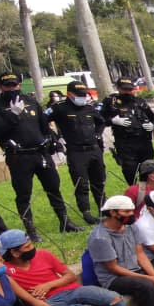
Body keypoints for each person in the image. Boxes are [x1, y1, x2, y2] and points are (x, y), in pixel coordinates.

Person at [0, 228, 154, 306]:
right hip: (48, 303)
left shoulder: (44, 254)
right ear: (14, 252)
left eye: (30, 244)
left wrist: (48, 285)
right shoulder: (5, 271)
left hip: (73, 291)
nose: (31, 248)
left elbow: (71, 276)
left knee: (113, 298)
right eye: (26, 247)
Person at [0, 72, 77, 239]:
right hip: (19, 156)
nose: (12, 88)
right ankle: (31, 230)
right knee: (23, 194)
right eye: (8, 86)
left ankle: (65, 221)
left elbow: (44, 126)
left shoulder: (30, 101)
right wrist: (13, 115)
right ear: (0, 87)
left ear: (19, 85)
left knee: (54, 188)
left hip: (40, 153)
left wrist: (56, 146)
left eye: (14, 85)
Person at [47, 79, 107, 224]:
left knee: (99, 180)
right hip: (76, 151)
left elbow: (101, 121)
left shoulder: (89, 108)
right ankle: (86, 212)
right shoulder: (59, 108)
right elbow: (42, 122)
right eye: (78, 94)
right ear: (69, 94)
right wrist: (55, 138)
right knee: (81, 182)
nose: (82, 97)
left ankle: (103, 207)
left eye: (83, 94)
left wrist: (98, 134)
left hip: (94, 148)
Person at [101, 76, 154, 186]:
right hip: (125, 142)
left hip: (144, 141)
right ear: (118, 88)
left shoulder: (139, 102)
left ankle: (145, 190)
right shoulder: (111, 102)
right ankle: (133, 190)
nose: (128, 92)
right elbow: (100, 119)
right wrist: (113, 121)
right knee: (130, 169)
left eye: (130, 89)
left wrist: (152, 125)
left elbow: (153, 118)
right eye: (125, 89)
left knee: (148, 168)